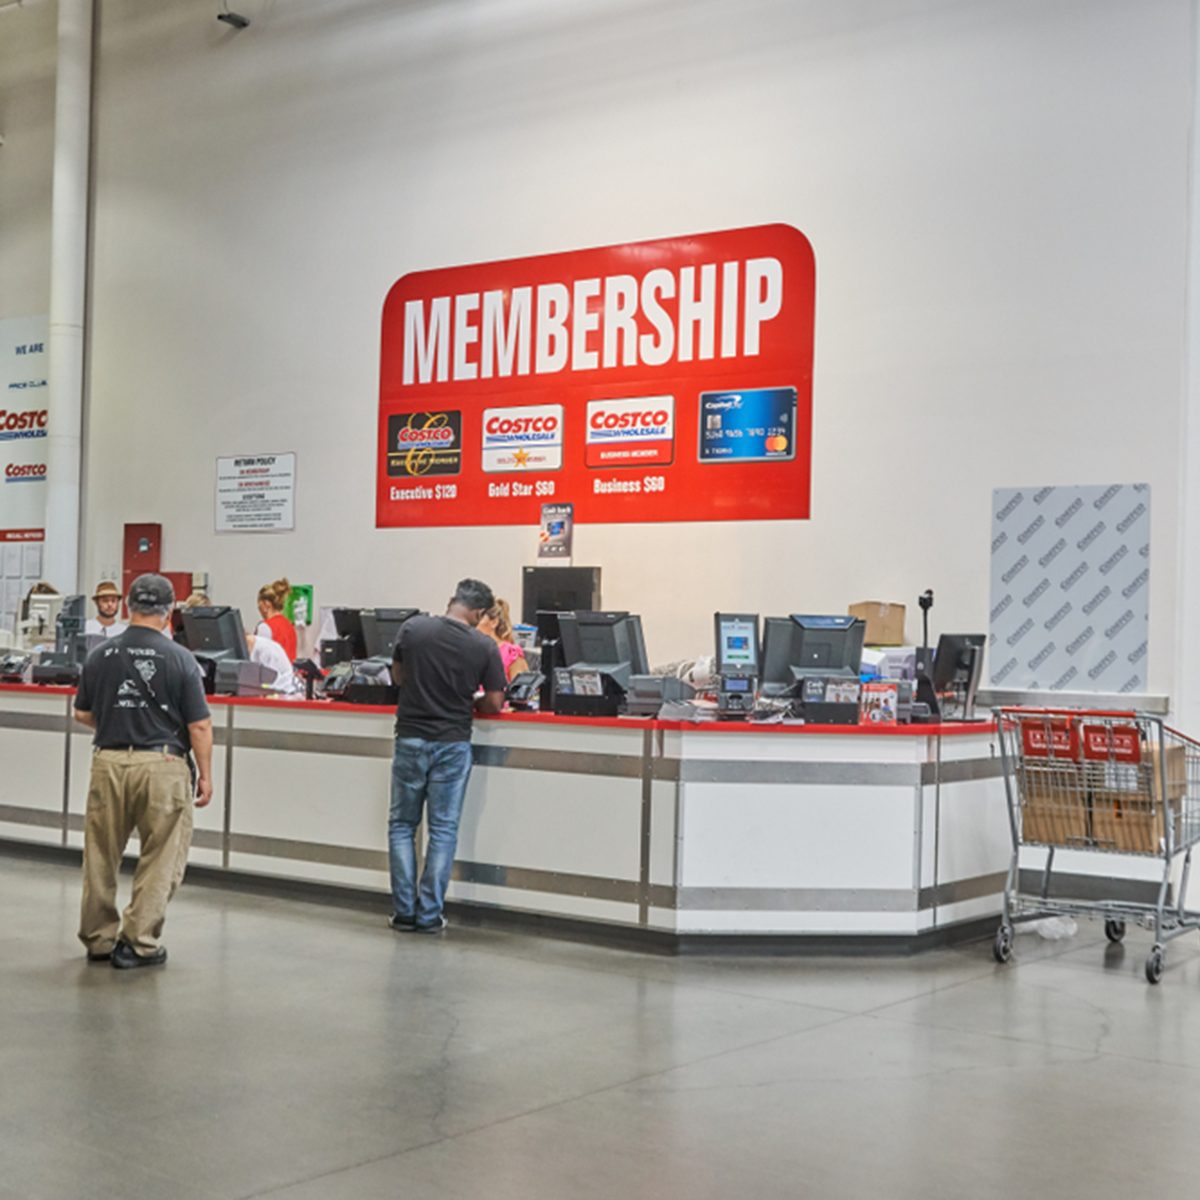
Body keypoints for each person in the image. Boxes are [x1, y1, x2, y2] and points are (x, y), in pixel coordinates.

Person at [73, 573, 214, 969]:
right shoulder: (181, 658)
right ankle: (137, 942)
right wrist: (205, 774)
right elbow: (199, 725)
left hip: (109, 762)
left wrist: (119, 722)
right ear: (169, 611)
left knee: (101, 853)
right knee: (163, 853)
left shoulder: (100, 655)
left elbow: (82, 712)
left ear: (128, 606)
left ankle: (98, 939)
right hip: (163, 764)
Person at [388, 578, 506, 934]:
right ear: (479, 612)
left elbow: (397, 677)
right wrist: (470, 700)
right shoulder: (483, 646)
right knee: (442, 830)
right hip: (452, 743)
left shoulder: (413, 628)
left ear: (452, 600)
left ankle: (404, 913)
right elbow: (496, 703)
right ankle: (429, 916)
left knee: (401, 826)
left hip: (409, 737)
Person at [477, 598, 529, 682]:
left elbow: (520, 691)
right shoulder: (472, 651)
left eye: (478, 618)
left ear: (493, 622)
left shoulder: (511, 653)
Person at [255, 577, 297, 661]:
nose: (258, 608)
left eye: (259, 604)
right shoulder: (289, 625)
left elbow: (260, 660)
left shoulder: (265, 627)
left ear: (266, 605)